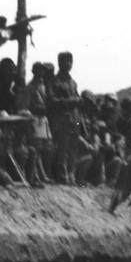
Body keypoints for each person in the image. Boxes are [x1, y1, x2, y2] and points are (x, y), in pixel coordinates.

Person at [48, 51, 82, 184]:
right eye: (64, 61)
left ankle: (71, 175)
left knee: (73, 148)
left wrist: (77, 101)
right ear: (59, 63)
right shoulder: (54, 81)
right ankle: (63, 176)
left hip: (75, 119)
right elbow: (52, 100)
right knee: (62, 148)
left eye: (70, 61)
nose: (68, 64)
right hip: (61, 119)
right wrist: (70, 101)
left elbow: (78, 99)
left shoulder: (73, 82)